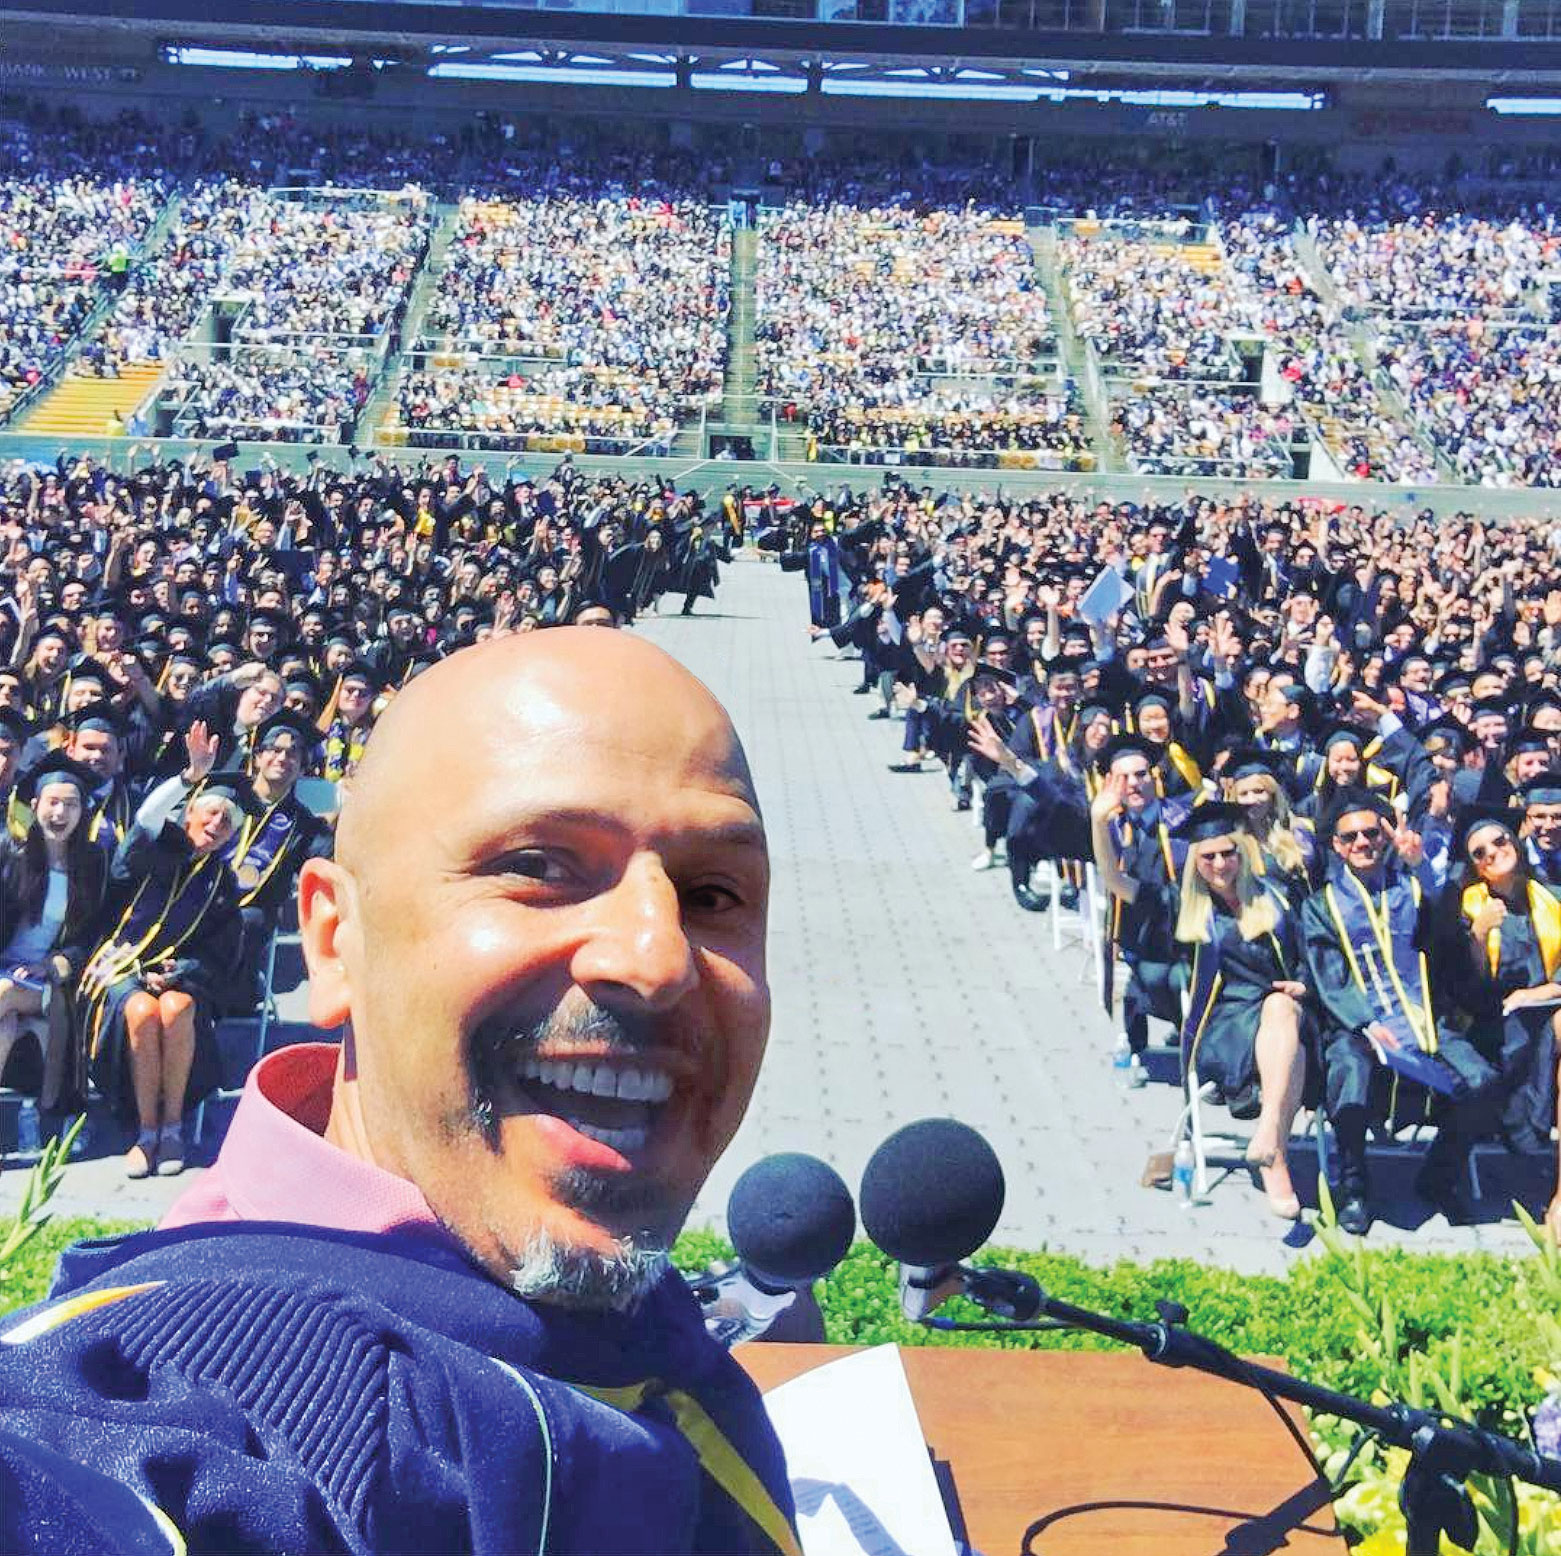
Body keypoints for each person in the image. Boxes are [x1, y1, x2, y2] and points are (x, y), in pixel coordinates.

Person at [0, 630, 793, 1556]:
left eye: (710, 895)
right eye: (538, 867)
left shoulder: (612, 1335)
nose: (657, 959)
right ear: (335, 942)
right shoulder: (175, 1406)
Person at [1301, 787, 1500, 1235]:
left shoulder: (1413, 889)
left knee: (1483, 1082)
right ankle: (1354, 1186)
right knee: (1348, 1071)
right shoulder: (1321, 906)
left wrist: (1422, 869)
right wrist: (1368, 1024)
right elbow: (1329, 974)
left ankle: (1438, 1177)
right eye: (1350, 837)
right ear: (1336, 844)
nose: (1362, 843)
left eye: (1371, 833)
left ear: (1385, 837)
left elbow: (1449, 936)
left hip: (1426, 1020)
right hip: (1357, 1026)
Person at [75, 723, 250, 1178]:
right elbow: (148, 817)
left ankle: (172, 1127)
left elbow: (221, 952)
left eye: (226, 822)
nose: (215, 825)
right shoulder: (155, 847)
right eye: (209, 813)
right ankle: (146, 1131)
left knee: (175, 1008)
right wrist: (190, 777)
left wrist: (185, 968)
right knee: (138, 1011)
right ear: (189, 814)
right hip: (118, 965)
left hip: (180, 977)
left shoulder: (221, 883)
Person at [1165, 802, 1310, 1219]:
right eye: (1208, 856)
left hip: (1290, 1011)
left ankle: (1267, 1137)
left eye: (1228, 852)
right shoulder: (1184, 907)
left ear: (1242, 851)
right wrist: (1101, 826)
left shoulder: (1277, 895)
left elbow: (1315, 952)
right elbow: (1119, 887)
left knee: (1282, 1007)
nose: (1220, 862)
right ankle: (1274, 1151)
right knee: (1289, 1041)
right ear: (1195, 861)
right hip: (1226, 1027)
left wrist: (1306, 985)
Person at [1436, 808, 1561, 1226]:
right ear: (1473, 865)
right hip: (1490, 1027)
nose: (1492, 853)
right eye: (1479, 852)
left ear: (1515, 841)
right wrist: (1478, 934)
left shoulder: (1551, 897)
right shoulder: (1467, 907)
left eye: (1500, 842)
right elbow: (1463, 989)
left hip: (1543, 1019)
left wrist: (1537, 993)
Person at [0, 753, 107, 1126]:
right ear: (35, 805)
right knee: (5, 1026)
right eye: (53, 802)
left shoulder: (93, 863)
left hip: (55, 983)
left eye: (71, 804)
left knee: (3, 996)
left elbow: (93, 933)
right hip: (5, 971)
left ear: (82, 812)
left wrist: (54, 963)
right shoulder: (10, 855)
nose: (60, 813)